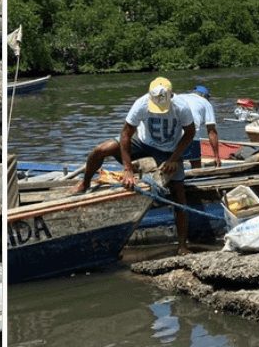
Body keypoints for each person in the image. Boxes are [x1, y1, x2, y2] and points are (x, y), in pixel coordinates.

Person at [76, 77, 197, 253]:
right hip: (142, 143)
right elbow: (125, 134)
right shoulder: (141, 104)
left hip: (169, 150)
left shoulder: (181, 107)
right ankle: (84, 182)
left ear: (171, 96)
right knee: (100, 149)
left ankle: (182, 246)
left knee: (179, 193)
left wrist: (174, 158)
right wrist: (128, 170)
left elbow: (190, 133)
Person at [173, 85, 220, 168]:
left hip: (171, 137)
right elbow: (211, 132)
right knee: (196, 164)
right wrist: (217, 156)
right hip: (190, 137)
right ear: (205, 96)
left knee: (174, 163)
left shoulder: (179, 97)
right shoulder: (205, 103)